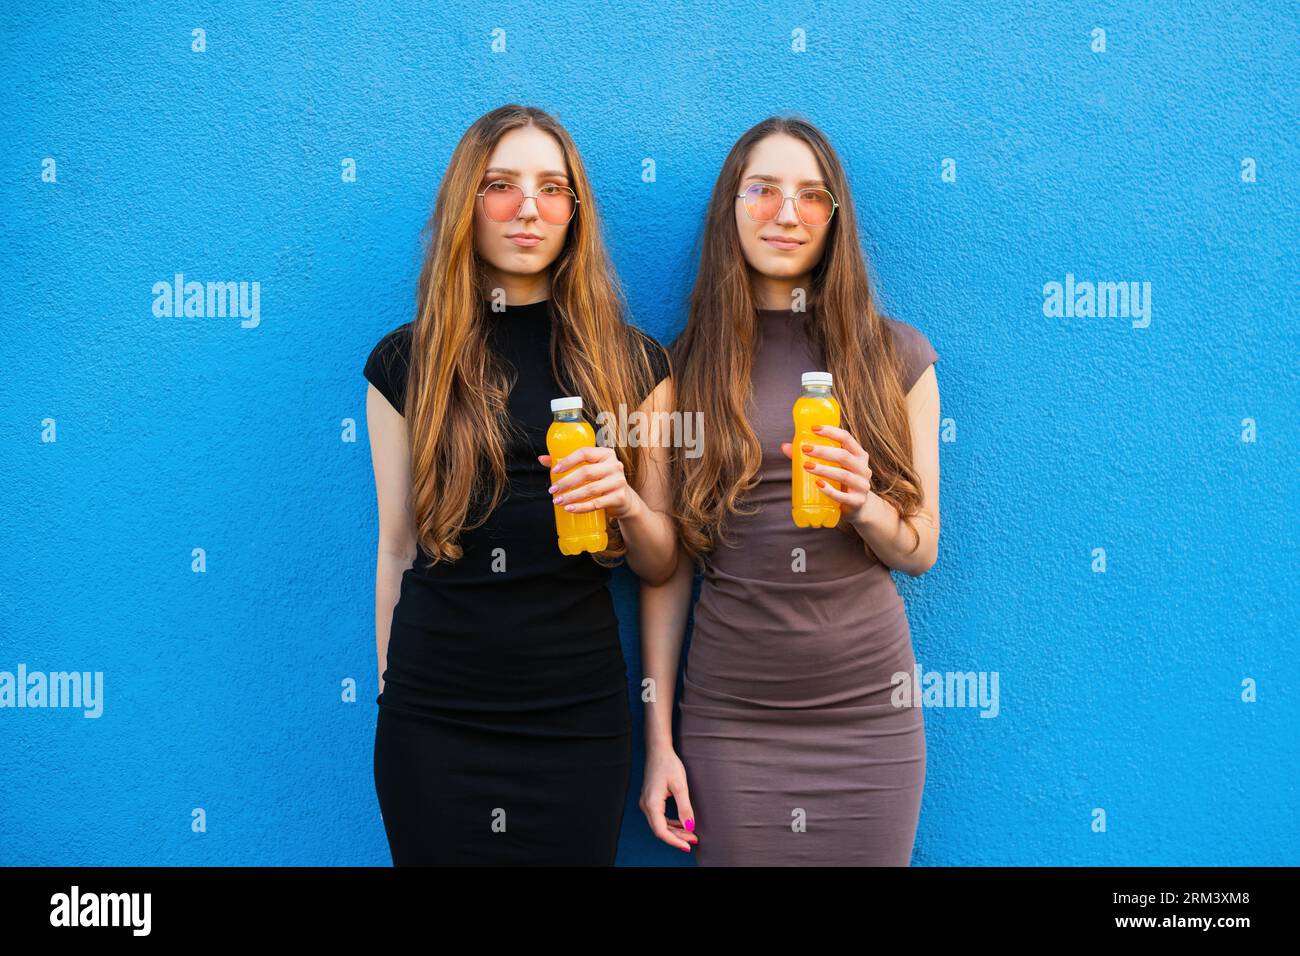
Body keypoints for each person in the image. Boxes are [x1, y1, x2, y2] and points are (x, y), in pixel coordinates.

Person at [365, 104, 676, 865]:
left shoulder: (638, 367)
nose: (529, 207)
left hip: (577, 719)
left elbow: (665, 563)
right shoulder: (406, 363)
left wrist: (626, 501)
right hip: (434, 719)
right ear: (465, 202)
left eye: (552, 187)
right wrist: (389, 692)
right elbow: (398, 548)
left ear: (576, 211)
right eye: (501, 185)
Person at [639, 116, 941, 865]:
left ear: (835, 220)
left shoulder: (895, 356)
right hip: (732, 722)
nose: (786, 213)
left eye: (812, 196)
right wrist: (659, 744)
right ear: (729, 210)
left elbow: (922, 547)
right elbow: (665, 571)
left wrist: (865, 503)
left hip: (871, 716)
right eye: (763, 190)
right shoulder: (676, 375)